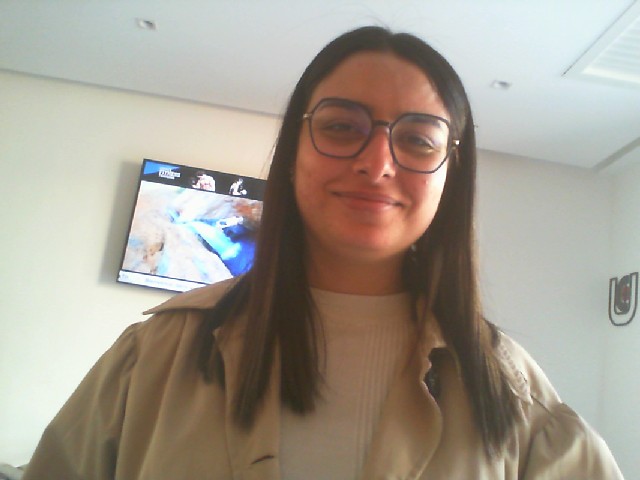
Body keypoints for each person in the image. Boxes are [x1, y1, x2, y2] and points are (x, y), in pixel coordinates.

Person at [22, 26, 623, 479]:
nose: (377, 163)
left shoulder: (512, 393)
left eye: (418, 140)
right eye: (341, 127)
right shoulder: (154, 357)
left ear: (450, 175)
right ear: (293, 152)